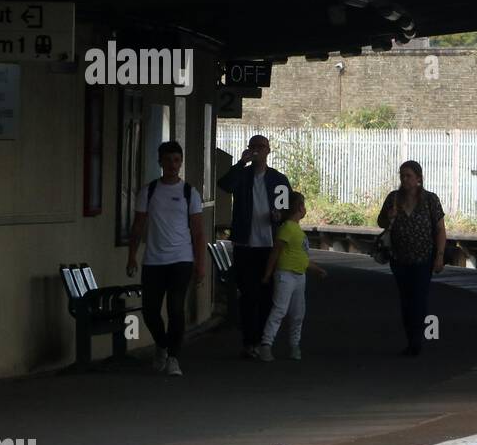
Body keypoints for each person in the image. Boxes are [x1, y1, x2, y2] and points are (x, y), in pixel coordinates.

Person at [126, 140, 206, 377]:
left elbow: (199, 231)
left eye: (177, 160)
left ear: (181, 163)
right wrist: (132, 256)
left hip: (181, 259)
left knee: (175, 308)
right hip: (153, 260)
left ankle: (173, 357)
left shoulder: (189, 192)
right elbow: (138, 226)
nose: (173, 165)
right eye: (168, 160)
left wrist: (200, 265)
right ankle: (161, 344)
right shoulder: (149, 191)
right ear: (159, 162)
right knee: (150, 310)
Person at [217, 134, 289, 359]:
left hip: (269, 245)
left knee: (267, 294)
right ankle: (249, 342)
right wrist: (240, 163)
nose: (258, 150)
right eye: (254, 146)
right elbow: (224, 185)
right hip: (244, 243)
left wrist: (279, 215)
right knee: (248, 294)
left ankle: (263, 340)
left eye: (262, 147)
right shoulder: (242, 175)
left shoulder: (278, 179)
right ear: (249, 149)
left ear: (269, 151)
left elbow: (286, 209)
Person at [377, 161, 447, 356]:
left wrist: (440, 256)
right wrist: (388, 216)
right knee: (406, 299)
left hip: (424, 258)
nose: (404, 179)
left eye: (408, 176)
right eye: (402, 175)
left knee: (419, 298)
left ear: (419, 178)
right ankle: (411, 337)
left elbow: (440, 229)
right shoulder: (393, 198)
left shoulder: (430, 200)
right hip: (399, 258)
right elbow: (381, 221)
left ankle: (417, 339)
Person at [258, 191, 327, 361]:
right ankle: (266, 344)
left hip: (298, 275)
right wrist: (268, 274)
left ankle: (294, 346)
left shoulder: (296, 229)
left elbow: (302, 258)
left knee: (298, 313)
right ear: (298, 207)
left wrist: (317, 269)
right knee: (280, 309)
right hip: (286, 274)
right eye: (303, 205)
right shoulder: (287, 227)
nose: (305, 209)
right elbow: (276, 251)